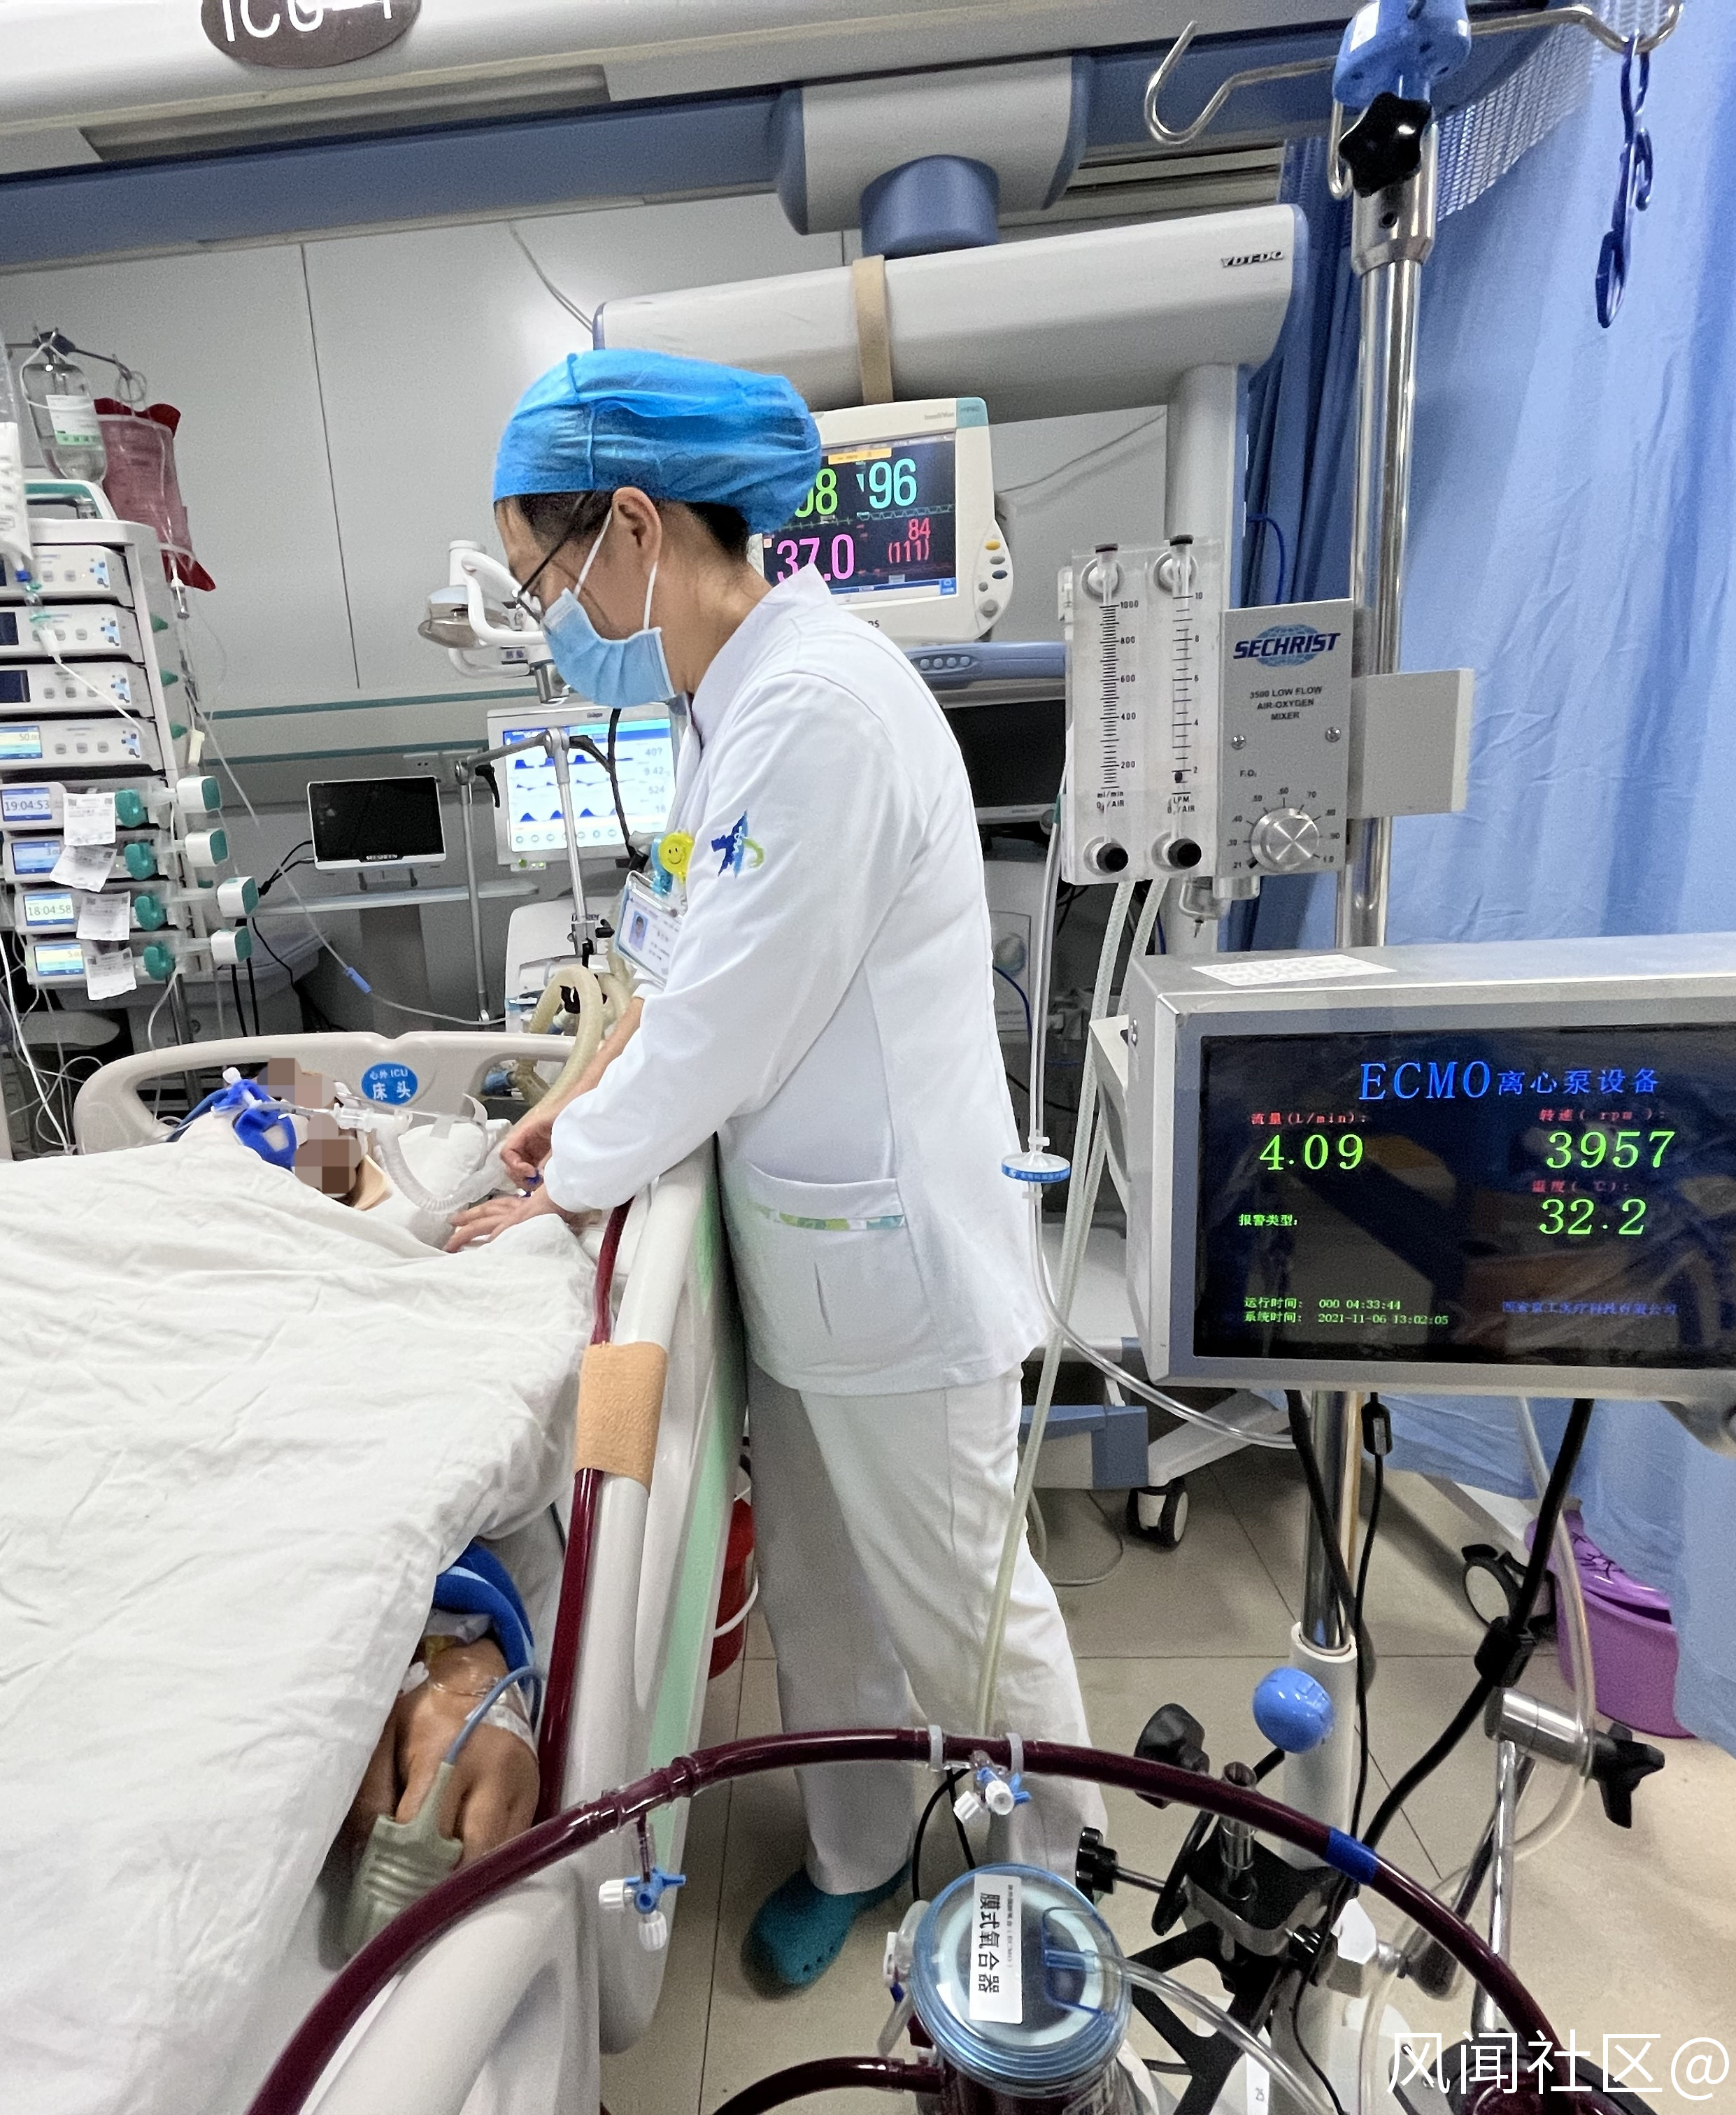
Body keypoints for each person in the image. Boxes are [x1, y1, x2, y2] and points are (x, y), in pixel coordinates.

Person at [446, 348, 1104, 1991]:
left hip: (893, 1263)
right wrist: (575, 1094)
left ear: (632, 527)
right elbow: (677, 954)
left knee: (964, 1617)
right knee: (825, 1596)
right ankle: (858, 1852)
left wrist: (572, 1176)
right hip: (804, 1252)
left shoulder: (820, 710)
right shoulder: (722, 709)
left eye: (542, 575)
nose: (549, 615)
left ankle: (1063, 1896)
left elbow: (729, 1023)